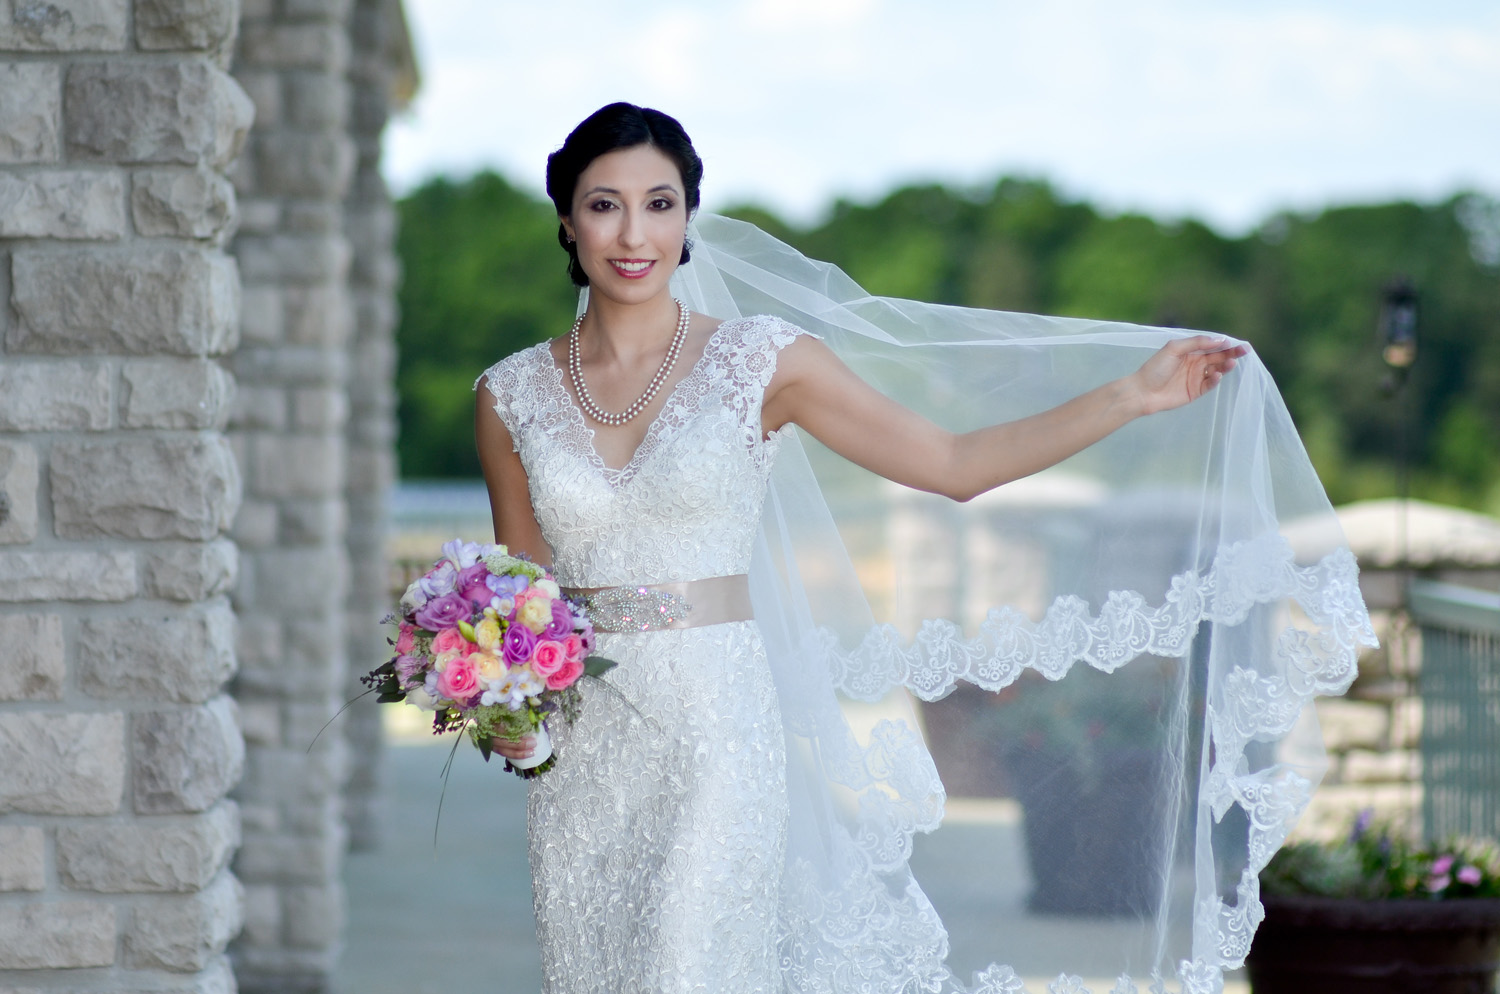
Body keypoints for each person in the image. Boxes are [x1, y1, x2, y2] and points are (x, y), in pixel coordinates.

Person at [473, 103, 1370, 994]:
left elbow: (952, 463)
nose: (634, 232)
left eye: (659, 203)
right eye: (605, 204)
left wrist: (1128, 396)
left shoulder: (763, 360)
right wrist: (503, 709)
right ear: (567, 219)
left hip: (716, 731)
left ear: (689, 218)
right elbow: (526, 601)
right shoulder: (508, 396)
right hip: (587, 763)